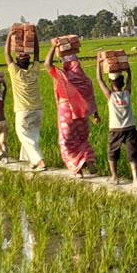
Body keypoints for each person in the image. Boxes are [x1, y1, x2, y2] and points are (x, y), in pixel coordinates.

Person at [45, 40, 100, 176]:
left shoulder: (62, 76)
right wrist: (95, 114)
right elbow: (91, 97)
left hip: (67, 113)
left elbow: (47, 64)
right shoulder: (85, 80)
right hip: (83, 115)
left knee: (66, 142)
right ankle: (89, 160)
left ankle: (78, 170)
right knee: (82, 140)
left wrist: (53, 47)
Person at [95, 59, 137, 189]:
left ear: (111, 83)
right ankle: (135, 179)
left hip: (115, 129)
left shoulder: (110, 95)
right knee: (132, 154)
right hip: (130, 127)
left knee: (112, 153)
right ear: (123, 82)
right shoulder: (127, 93)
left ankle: (115, 177)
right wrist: (128, 69)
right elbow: (130, 79)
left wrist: (98, 63)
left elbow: (99, 80)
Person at [5, 33, 46, 171]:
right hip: (38, 110)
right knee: (33, 136)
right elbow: (37, 54)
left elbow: (7, 55)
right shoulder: (34, 71)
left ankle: (40, 161)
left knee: (24, 135)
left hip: (23, 110)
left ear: (17, 62)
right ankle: (32, 161)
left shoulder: (16, 73)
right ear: (29, 62)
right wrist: (34, 39)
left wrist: (10, 36)